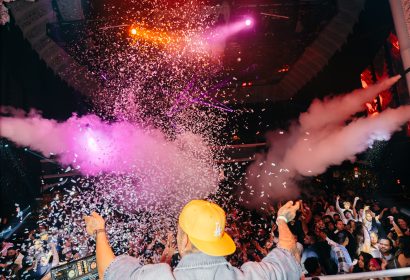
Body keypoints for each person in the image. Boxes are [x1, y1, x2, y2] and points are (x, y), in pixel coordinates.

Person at [84, 200, 303, 280]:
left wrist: (99, 232)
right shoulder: (254, 276)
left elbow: (108, 272)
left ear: (185, 240)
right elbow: (289, 252)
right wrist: (282, 220)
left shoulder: (157, 277)